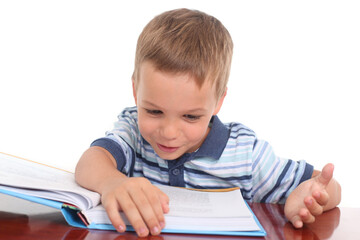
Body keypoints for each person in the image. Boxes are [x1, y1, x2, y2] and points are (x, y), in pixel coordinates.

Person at [75, 8, 341, 237]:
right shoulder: (132, 129)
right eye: (154, 111)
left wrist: (303, 197)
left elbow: (328, 186)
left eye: (191, 116)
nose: (168, 133)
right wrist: (112, 182)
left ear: (218, 102)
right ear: (136, 91)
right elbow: (92, 161)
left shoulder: (246, 155)